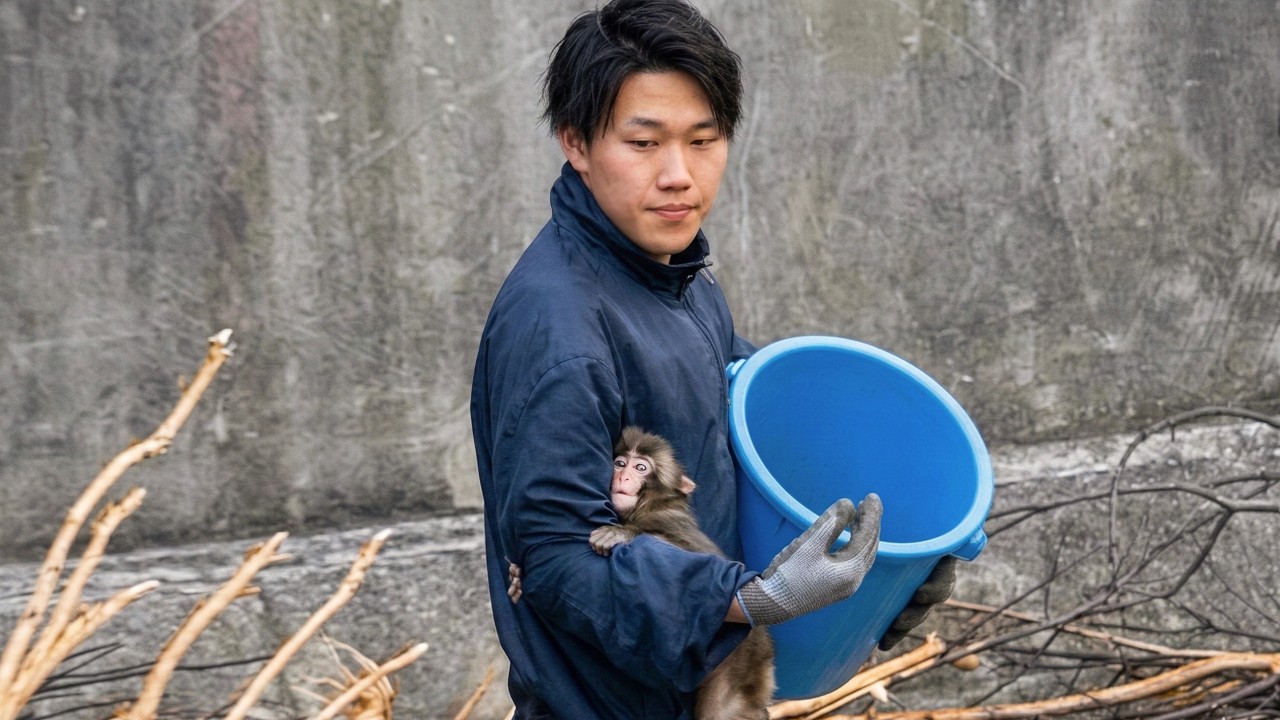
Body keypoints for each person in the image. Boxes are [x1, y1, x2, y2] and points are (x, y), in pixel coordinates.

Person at [470, 1, 953, 716]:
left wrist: (890, 569)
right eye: (643, 143)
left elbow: (764, 440)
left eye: (704, 140)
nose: (679, 175)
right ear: (576, 142)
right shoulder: (559, 330)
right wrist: (751, 598)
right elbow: (555, 560)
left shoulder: (674, 278)